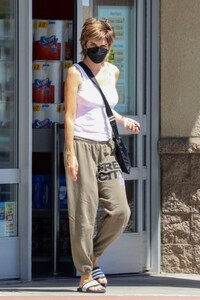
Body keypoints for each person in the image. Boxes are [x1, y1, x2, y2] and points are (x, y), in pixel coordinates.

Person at [64, 17, 140, 293]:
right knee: (83, 212)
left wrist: (122, 119)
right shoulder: (76, 73)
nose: (98, 48)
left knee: (120, 210)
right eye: (93, 43)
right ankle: (85, 275)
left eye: (103, 43)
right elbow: (70, 116)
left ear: (110, 44)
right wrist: (70, 155)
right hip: (82, 144)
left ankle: (94, 258)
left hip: (106, 147)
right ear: (85, 43)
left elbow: (104, 107)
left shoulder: (113, 72)